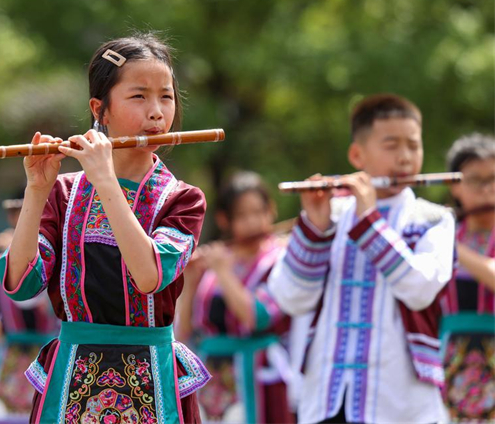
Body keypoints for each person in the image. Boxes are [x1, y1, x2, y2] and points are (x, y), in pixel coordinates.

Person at [0, 33, 211, 423]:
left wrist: (105, 182)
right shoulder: (63, 193)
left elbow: (149, 275)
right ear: (101, 110)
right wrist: (36, 190)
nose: (156, 113)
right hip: (71, 381)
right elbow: (21, 283)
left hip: (153, 382)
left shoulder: (183, 199)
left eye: (166, 96)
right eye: (139, 96)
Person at [268, 93, 455, 423]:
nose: (405, 157)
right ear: (357, 154)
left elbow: (419, 289)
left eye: (413, 145)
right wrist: (315, 225)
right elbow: (290, 298)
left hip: (399, 405)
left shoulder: (433, 219)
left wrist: (369, 221)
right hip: (326, 398)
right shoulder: (332, 214)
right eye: (391, 145)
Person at [177, 171, 294, 424]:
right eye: (242, 215)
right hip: (210, 379)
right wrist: (191, 280)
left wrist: (222, 271)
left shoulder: (279, 259)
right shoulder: (216, 259)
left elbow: (257, 318)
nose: (253, 222)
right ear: (224, 220)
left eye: (258, 212)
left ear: (271, 211)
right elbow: (184, 332)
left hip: (259, 377)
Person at [0, 198, 59, 424]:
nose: (21, 217)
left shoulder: (54, 256)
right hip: (12, 351)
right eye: (15, 212)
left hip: (47, 348)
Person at [440, 133, 495, 422]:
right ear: (455, 186)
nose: (487, 190)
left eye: (494, 179)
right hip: (448, 363)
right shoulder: (441, 233)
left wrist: (450, 245)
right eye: (475, 180)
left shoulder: (445, 239)